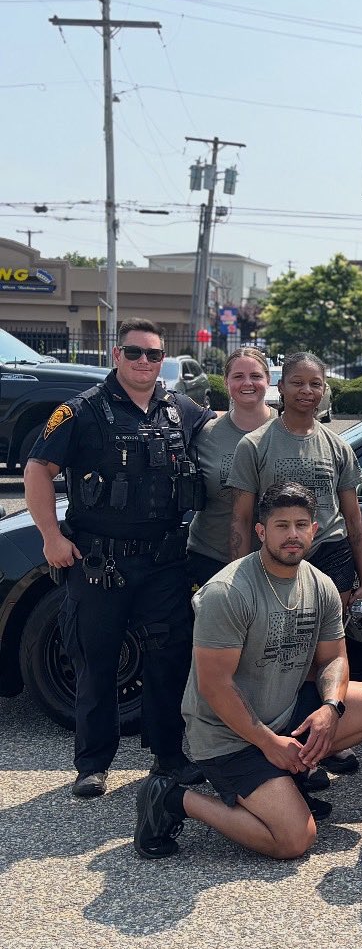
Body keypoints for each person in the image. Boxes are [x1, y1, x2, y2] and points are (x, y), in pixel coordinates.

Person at [133, 483, 362, 859]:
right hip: (227, 734)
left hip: (283, 714)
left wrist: (330, 708)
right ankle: (172, 798)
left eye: (301, 525)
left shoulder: (320, 586)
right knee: (293, 840)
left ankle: (286, 777)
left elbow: (334, 659)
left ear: (314, 531)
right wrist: (269, 744)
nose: (292, 535)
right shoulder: (228, 591)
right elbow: (214, 685)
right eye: (281, 525)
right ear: (261, 532)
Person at [24, 317, 215, 798]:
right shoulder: (78, 412)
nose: (144, 362)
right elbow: (37, 470)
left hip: (165, 563)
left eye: (153, 355)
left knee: (167, 660)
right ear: (116, 355)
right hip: (99, 564)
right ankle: (92, 764)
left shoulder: (181, 410)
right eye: (134, 353)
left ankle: (169, 757)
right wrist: (50, 536)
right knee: (97, 661)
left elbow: (231, 436)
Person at [227, 351, 362, 777]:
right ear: (281, 386)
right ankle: (277, 741)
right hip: (273, 560)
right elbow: (240, 517)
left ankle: (325, 739)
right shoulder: (255, 445)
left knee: (329, 651)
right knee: (278, 648)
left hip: (330, 555)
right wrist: (237, 575)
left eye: (315, 384)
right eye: (297, 383)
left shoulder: (338, 446)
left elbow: (353, 519)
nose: (306, 391)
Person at [185, 347, 273, 588]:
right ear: (226, 382)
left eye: (255, 376)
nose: (247, 383)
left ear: (269, 380)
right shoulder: (204, 434)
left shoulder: (287, 430)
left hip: (275, 561)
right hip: (209, 559)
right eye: (238, 376)